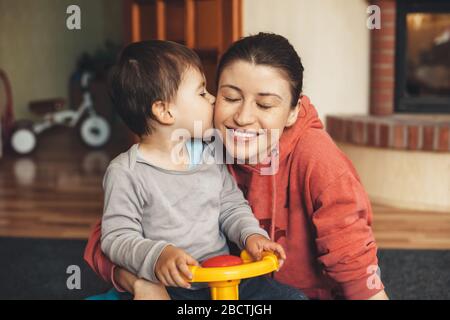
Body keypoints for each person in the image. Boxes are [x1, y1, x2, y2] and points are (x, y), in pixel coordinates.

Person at [85, 33, 388, 300]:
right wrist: (145, 277)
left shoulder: (316, 158)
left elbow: (353, 255)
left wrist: (251, 235)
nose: (242, 117)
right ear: (165, 111)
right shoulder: (155, 161)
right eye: (227, 96)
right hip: (180, 285)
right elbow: (109, 238)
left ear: (294, 112)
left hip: (240, 281)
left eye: (265, 105)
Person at [93, 39, 307, 300]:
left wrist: (251, 235)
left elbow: (231, 206)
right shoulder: (126, 172)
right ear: (165, 111)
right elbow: (116, 238)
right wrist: (159, 255)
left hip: (227, 278)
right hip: (171, 287)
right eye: (202, 92)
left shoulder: (208, 153)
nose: (214, 99)